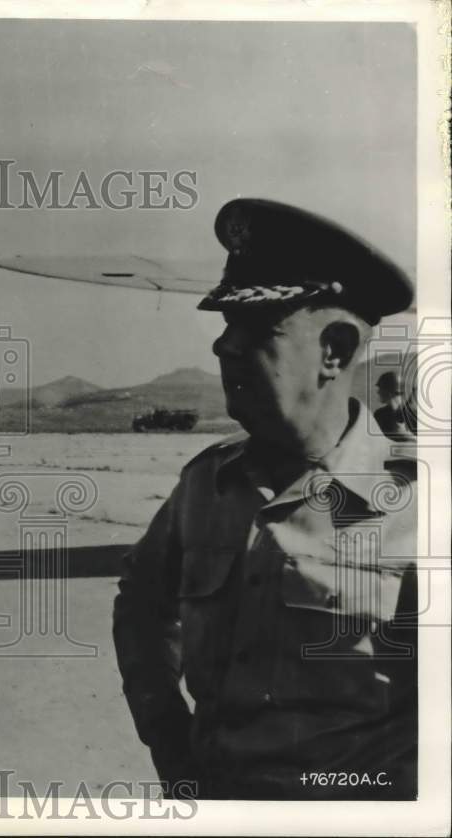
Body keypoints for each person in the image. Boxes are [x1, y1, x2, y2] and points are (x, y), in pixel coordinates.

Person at [113, 198, 418, 801]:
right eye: (227, 325)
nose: (223, 348)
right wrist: (168, 737)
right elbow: (142, 605)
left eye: (254, 329)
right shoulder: (206, 485)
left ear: (334, 349)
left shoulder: (422, 509)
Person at [373, 371, 414, 441]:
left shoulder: (412, 415)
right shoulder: (379, 415)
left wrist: (409, 436)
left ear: (388, 391)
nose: (378, 392)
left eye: (381, 388)